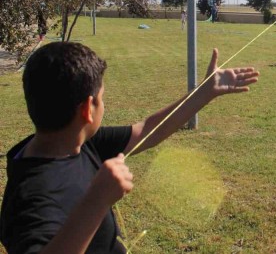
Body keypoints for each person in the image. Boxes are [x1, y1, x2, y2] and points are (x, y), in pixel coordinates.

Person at [0, 42, 259, 254]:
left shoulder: (76, 142)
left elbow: (146, 131)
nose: (104, 104)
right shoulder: (32, 196)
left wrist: (204, 92)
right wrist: (97, 200)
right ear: (87, 109)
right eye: (101, 99)